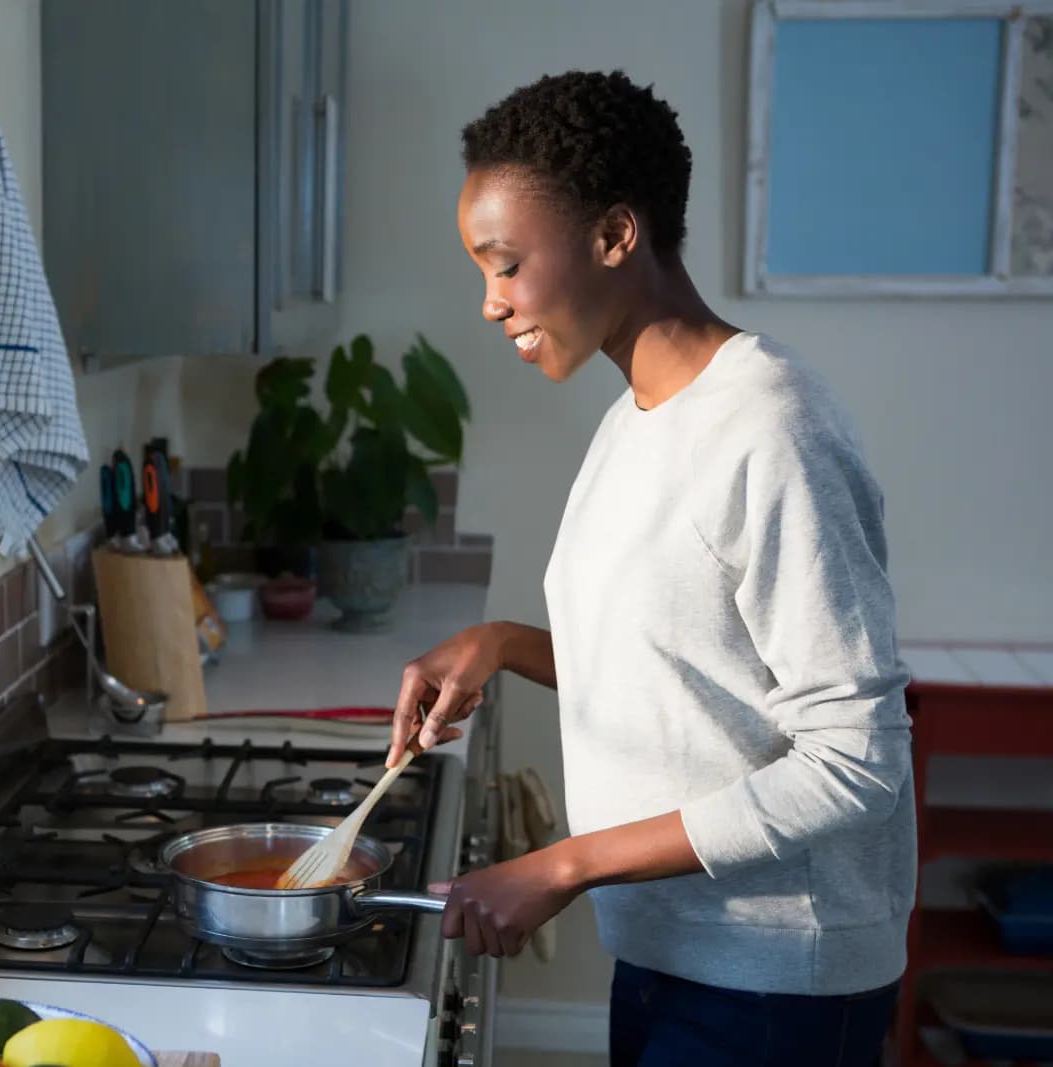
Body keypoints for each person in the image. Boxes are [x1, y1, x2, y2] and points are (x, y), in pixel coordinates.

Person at [387, 71, 915, 1067]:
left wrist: (568, 863)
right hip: (673, 946)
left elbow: (856, 760)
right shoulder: (633, 418)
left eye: (504, 266)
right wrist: (502, 645)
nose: (490, 304)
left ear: (614, 234)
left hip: (774, 980)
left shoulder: (772, 429)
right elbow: (692, 671)